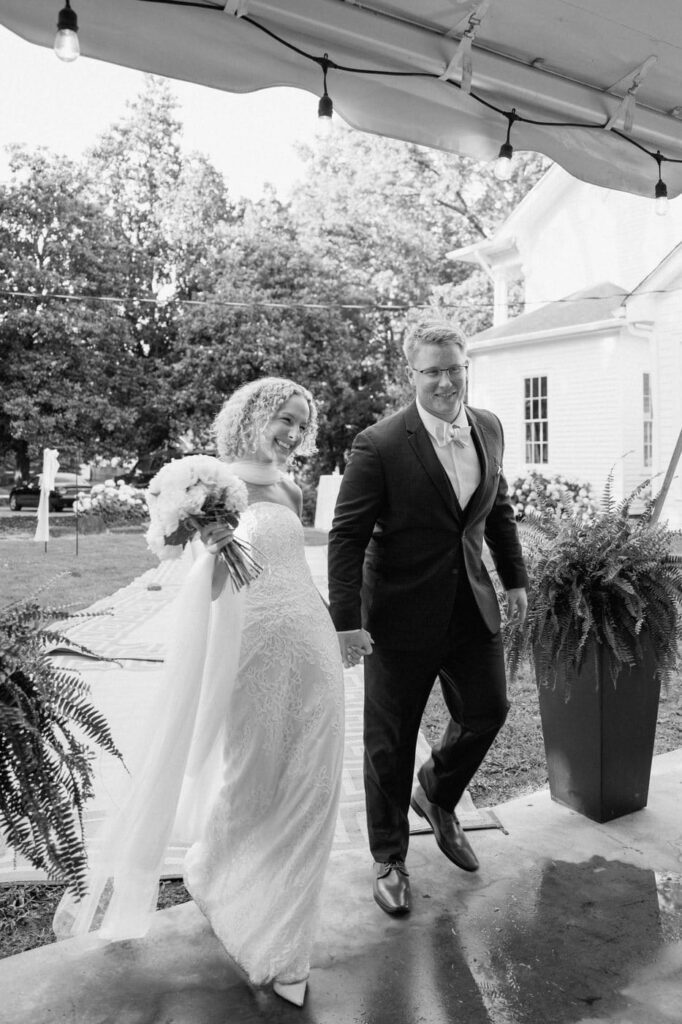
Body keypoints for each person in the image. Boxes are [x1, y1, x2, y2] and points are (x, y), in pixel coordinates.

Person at [54, 378, 345, 1009]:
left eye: (302, 424)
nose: (293, 434)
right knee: (255, 778)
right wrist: (210, 550)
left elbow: (294, 571)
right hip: (249, 649)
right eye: (284, 420)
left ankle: (285, 937)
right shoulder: (213, 487)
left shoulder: (293, 488)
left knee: (316, 782)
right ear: (253, 417)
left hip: (312, 641)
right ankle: (221, 876)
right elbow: (206, 592)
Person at [327, 318, 527, 917]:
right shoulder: (379, 443)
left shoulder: (489, 426)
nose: (445, 381)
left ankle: (437, 796)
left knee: (489, 709)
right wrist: (346, 621)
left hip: (470, 604)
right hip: (397, 616)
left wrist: (514, 578)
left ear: (467, 367)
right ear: (410, 373)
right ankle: (389, 859)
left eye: (454, 368)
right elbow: (346, 536)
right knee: (389, 743)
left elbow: (499, 510)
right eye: (432, 370)